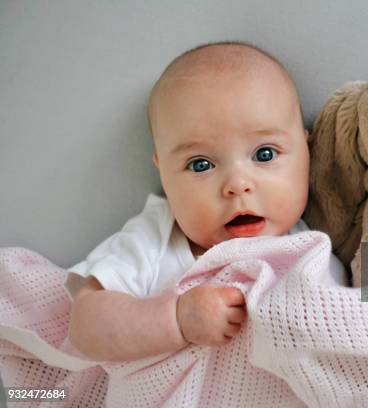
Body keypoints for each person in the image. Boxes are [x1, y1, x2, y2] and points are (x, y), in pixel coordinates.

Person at [67, 41, 343, 362]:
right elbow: (85, 325)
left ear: (306, 150)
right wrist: (175, 319)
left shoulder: (314, 243)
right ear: (165, 172)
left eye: (264, 154)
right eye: (201, 164)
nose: (237, 185)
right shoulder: (156, 240)